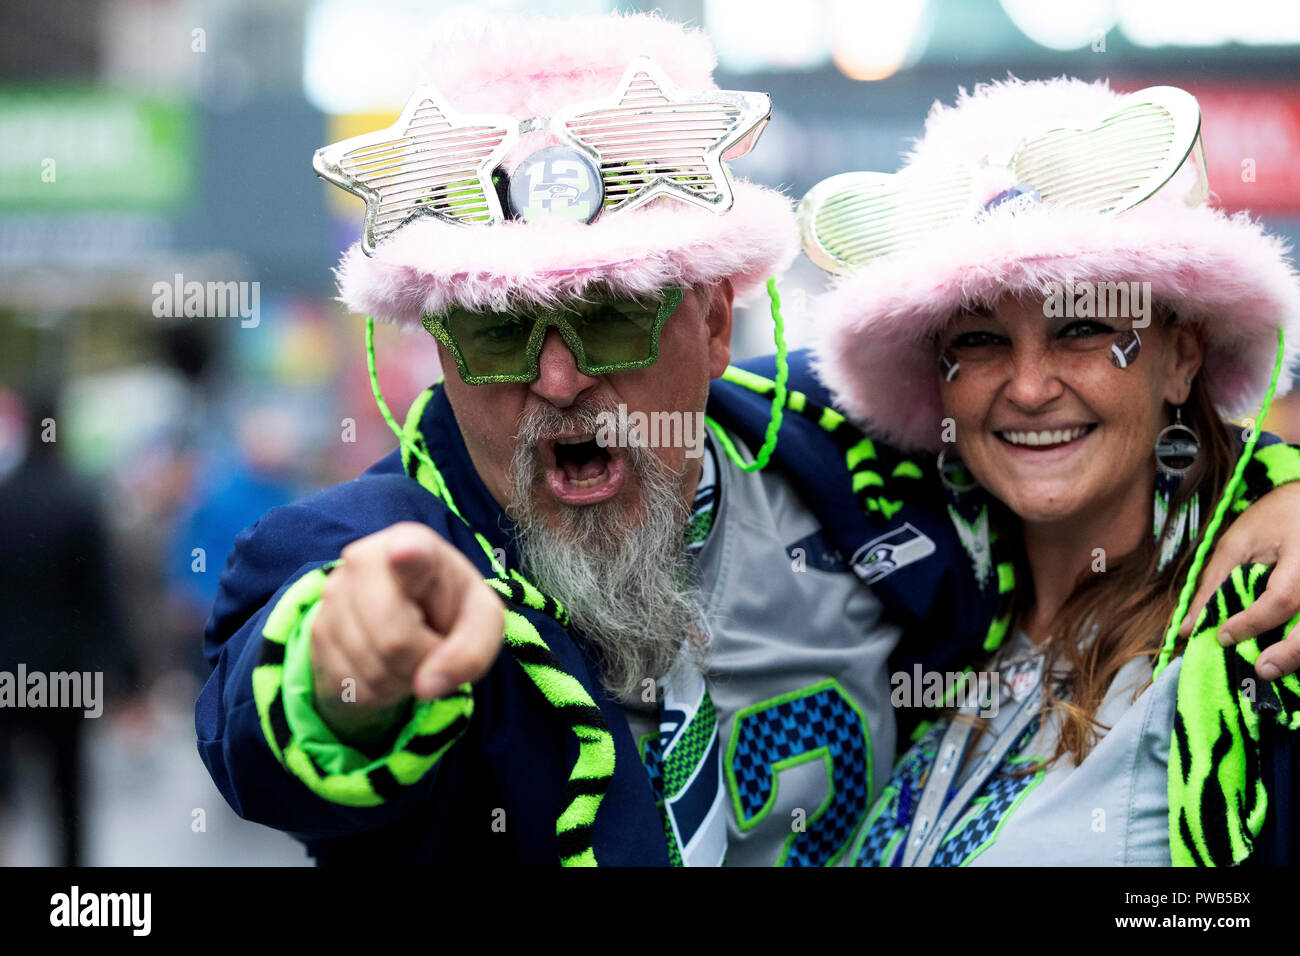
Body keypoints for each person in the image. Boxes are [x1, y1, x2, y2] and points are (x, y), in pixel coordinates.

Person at [197, 17, 1300, 867]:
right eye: (494, 331)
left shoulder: (861, 470)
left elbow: (1119, 455)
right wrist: (347, 667)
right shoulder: (374, 546)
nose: (559, 378)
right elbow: (275, 719)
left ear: (718, 321)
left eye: (614, 312)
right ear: (436, 346)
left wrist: (1284, 483)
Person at [800, 77, 1300, 865]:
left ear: (1182, 357)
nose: (1029, 388)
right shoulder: (929, 620)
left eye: (1083, 328)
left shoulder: (1263, 630)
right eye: (979, 339)